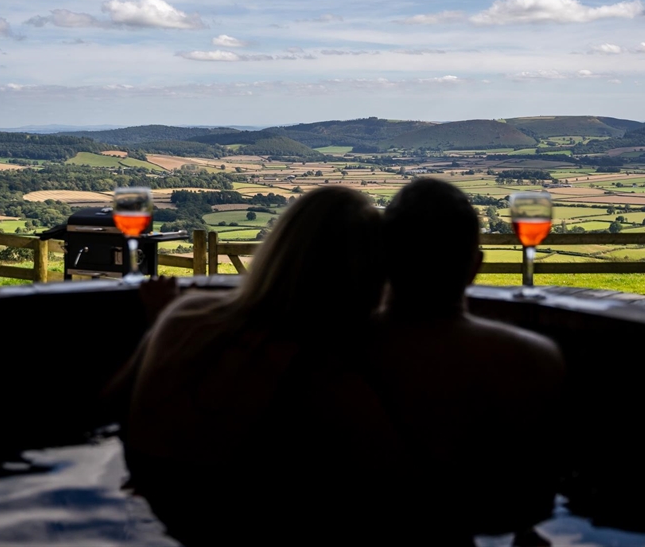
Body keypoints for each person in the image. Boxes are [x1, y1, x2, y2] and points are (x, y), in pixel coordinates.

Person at [111, 186, 404, 546]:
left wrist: (158, 329)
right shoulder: (334, 382)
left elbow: (106, 408)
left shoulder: (185, 316)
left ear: (277, 248)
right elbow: (401, 494)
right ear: (371, 273)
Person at [365, 178, 565, 546]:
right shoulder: (533, 360)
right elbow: (532, 507)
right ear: (475, 266)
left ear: (380, 256)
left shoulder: (334, 350)